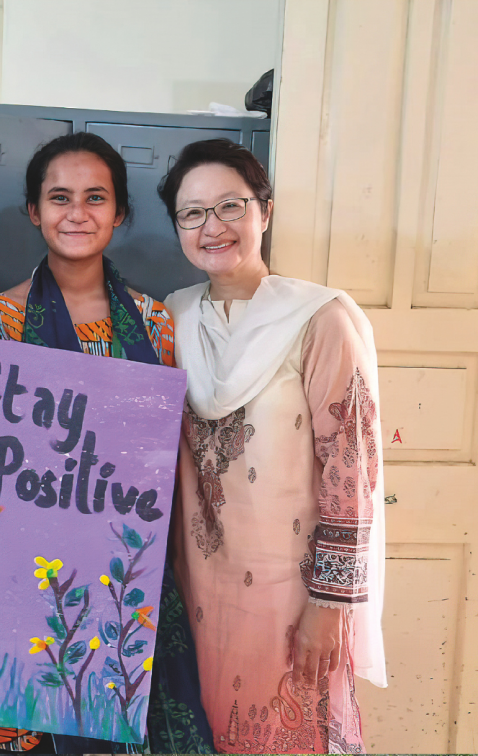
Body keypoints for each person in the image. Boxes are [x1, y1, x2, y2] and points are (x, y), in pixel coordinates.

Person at [0, 131, 214, 754]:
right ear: (34, 211)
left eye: (95, 197)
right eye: (59, 197)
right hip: (29, 571)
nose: (77, 213)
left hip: (129, 569)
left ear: (120, 212)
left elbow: (167, 453)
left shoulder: (155, 324)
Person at [159, 138, 387, 753]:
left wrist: (331, 604)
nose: (213, 227)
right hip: (194, 590)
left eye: (230, 206)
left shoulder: (319, 319)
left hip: (292, 596)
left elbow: (352, 470)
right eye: (192, 213)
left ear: (265, 210)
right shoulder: (169, 319)